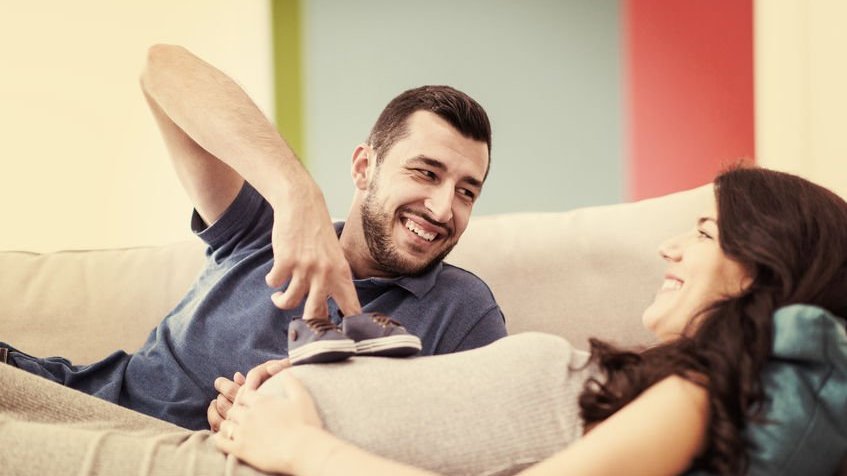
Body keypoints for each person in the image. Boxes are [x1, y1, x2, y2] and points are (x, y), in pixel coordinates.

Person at [213, 166, 847, 475]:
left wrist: (299, 444)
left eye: (705, 232)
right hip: (245, 440)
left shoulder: (699, 393)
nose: (670, 247)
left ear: (762, 270)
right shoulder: (673, 388)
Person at [0, 44, 507, 430]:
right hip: (78, 410)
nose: (444, 208)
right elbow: (162, 68)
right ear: (363, 167)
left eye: (467, 191)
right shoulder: (262, 229)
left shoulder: (462, 310)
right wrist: (295, 193)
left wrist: (294, 414)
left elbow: (473, 440)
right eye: (425, 173)